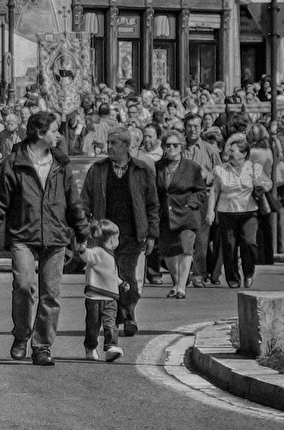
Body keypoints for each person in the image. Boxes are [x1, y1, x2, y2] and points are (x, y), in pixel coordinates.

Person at [0, 111, 85, 367]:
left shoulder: (61, 163)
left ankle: (42, 346)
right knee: (24, 286)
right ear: (40, 133)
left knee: (51, 293)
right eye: (54, 131)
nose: (59, 135)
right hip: (23, 235)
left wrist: (82, 232)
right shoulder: (13, 163)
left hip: (56, 235)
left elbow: (73, 200)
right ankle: (21, 335)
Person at [81, 126, 159, 337]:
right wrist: (84, 228)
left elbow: (152, 205)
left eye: (114, 143)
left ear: (126, 146)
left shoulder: (142, 170)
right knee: (107, 275)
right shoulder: (98, 170)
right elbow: (85, 201)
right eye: (108, 143)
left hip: (132, 233)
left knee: (127, 276)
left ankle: (128, 314)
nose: (109, 147)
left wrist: (152, 234)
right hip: (104, 234)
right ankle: (115, 315)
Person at [207, 133, 267, 290]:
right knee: (230, 246)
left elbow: (268, 184)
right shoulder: (221, 169)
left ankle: (248, 272)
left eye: (233, 151)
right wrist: (210, 211)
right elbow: (214, 190)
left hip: (249, 212)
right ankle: (233, 278)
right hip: (227, 212)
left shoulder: (253, 168)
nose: (229, 153)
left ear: (244, 153)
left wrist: (260, 184)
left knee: (249, 243)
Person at [156, 132, 209, 300]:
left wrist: (190, 204)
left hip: (187, 215)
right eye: (168, 145)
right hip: (165, 215)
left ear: (182, 147)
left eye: (175, 145)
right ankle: (176, 281)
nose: (172, 148)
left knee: (186, 250)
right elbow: (154, 191)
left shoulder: (192, 167)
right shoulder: (158, 167)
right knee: (168, 251)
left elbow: (201, 191)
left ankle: (181, 287)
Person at [80, 220, 125, 362]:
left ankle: (111, 346)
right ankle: (91, 347)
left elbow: (111, 275)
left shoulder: (111, 255)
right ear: (111, 239)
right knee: (93, 325)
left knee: (110, 323)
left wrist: (121, 282)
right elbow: (87, 256)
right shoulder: (98, 252)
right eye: (117, 238)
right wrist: (82, 248)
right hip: (95, 297)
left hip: (110, 297)